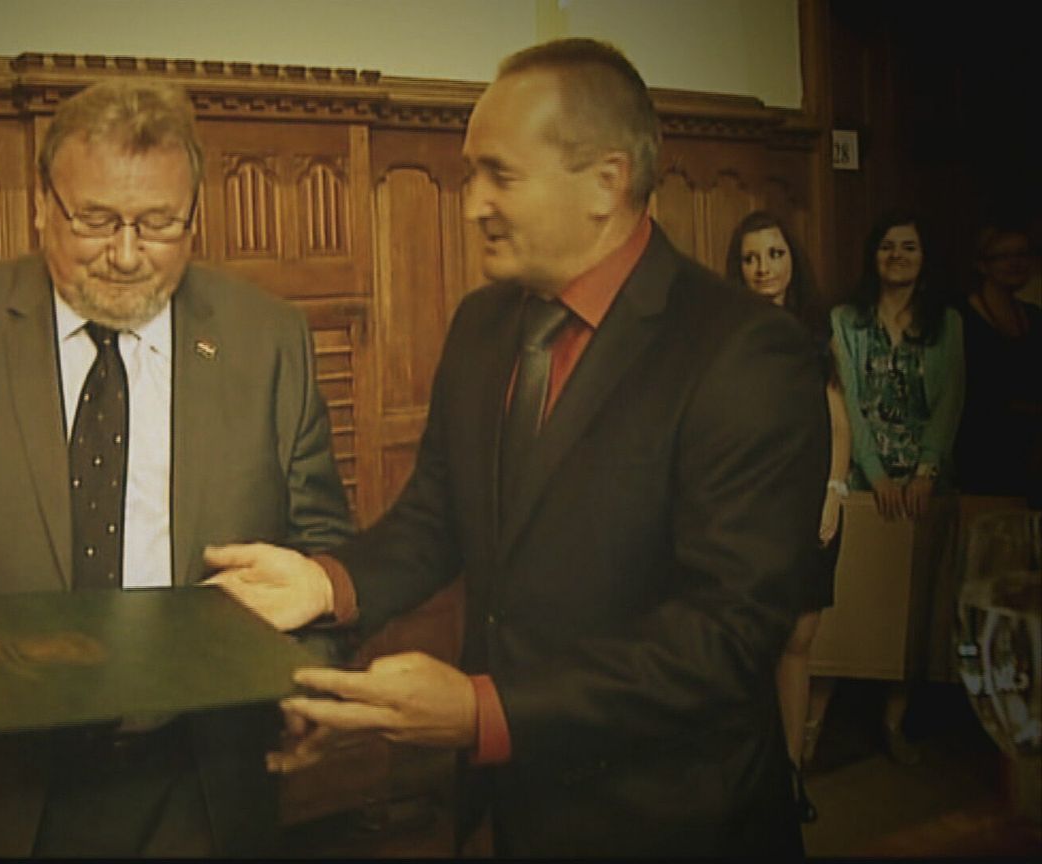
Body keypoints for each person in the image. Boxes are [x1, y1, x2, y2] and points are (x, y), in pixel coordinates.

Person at [207, 39, 827, 857]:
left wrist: (484, 711)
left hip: (671, 822)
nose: (472, 204)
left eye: (499, 175)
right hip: (503, 814)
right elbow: (437, 517)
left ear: (605, 182)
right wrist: (327, 582)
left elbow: (725, 636)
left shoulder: (742, 353)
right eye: (471, 175)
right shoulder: (482, 325)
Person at [0, 79, 353, 857]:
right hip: (1, 787)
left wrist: (309, 676)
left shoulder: (268, 339)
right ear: (43, 205)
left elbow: (323, 543)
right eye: (97, 220)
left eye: (159, 223)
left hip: (204, 782)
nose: (127, 254)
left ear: (195, 216)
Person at [725, 211, 852, 820]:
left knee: (799, 639)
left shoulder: (818, 329)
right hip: (757, 505)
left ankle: (792, 775)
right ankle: (753, 774)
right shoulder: (729, 332)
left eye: (774, 254)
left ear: (791, 259)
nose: (763, 268)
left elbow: (838, 420)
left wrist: (834, 491)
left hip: (813, 501)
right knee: (755, 641)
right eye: (751, 258)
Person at [829, 211, 965, 763]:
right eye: (887, 246)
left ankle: (895, 721)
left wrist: (925, 471)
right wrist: (876, 474)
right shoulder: (845, 320)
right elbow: (847, 402)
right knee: (855, 597)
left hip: (924, 483)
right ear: (873, 256)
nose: (898, 256)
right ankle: (819, 723)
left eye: (909, 246)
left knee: (915, 603)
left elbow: (951, 401)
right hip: (865, 478)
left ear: (924, 257)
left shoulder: (947, 322)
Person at [954, 221, 1042, 501]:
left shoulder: (1035, 317)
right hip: (977, 448)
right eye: (1004, 256)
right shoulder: (960, 317)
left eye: (1023, 254)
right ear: (982, 265)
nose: (1016, 263)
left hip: (1029, 452)